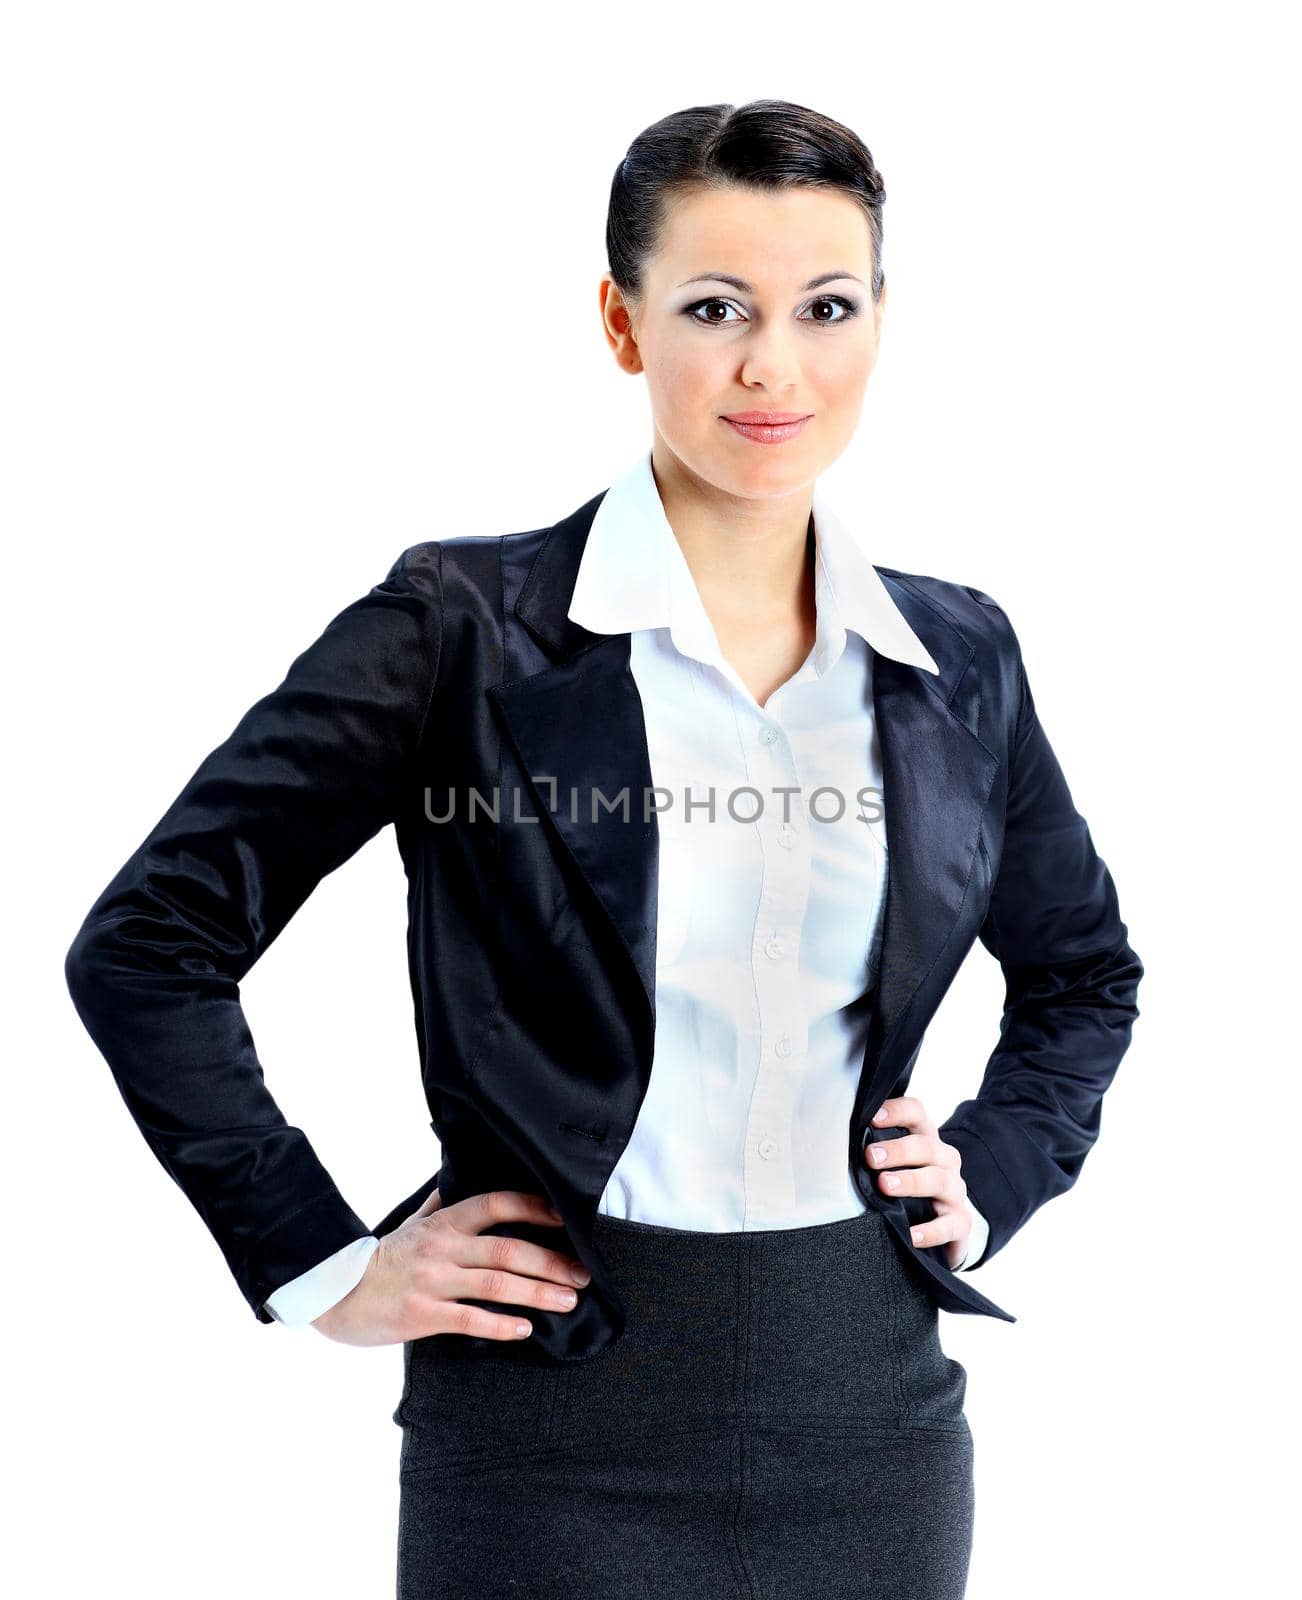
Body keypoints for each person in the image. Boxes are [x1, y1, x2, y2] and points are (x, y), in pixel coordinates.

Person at [65, 98, 1143, 1599]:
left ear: (877, 326)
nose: (772, 364)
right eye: (715, 308)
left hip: (870, 1410)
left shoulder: (957, 655)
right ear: (623, 325)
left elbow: (1082, 974)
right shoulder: (460, 629)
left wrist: (996, 1164)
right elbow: (152, 944)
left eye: (823, 307)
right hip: (546, 1403)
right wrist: (316, 1257)